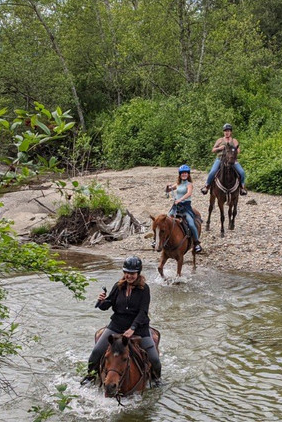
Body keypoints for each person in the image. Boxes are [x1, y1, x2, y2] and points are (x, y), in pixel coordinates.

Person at [84, 255, 162, 384]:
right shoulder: (118, 286)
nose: (128, 276)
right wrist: (101, 301)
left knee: (154, 359)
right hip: (117, 325)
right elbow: (106, 305)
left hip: (139, 327)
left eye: (132, 273)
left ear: (138, 273)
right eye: (126, 272)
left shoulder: (144, 289)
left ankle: (156, 380)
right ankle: (90, 377)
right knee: (96, 351)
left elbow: (143, 312)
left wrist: (133, 328)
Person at [164, 164, 203, 254]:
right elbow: (168, 190)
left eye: (186, 173)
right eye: (182, 173)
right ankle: (160, 240)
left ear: (188, 174)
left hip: (185, 207)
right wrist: (167, 186)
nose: (184, 174)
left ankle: (196, 243)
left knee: (191, 224)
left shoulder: (189, 184)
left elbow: (189, 193)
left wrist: (180, 199)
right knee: (165, 220)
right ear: (180, 174)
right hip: (176, 207)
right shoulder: (178, 184)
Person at [202, 123, 247, 196]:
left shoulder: (234, 141)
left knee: (242, 172)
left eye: (228, 131)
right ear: (223, 132)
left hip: (232, 160)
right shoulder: (220, 140)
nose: (227, 132)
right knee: (212, 172)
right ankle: (207, 186)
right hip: (220, 159)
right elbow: (213, 150)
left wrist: (232, 149)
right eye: (225, 131)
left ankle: (242, 187)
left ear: (231, 132)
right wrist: (220, 148)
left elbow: (238, 151)